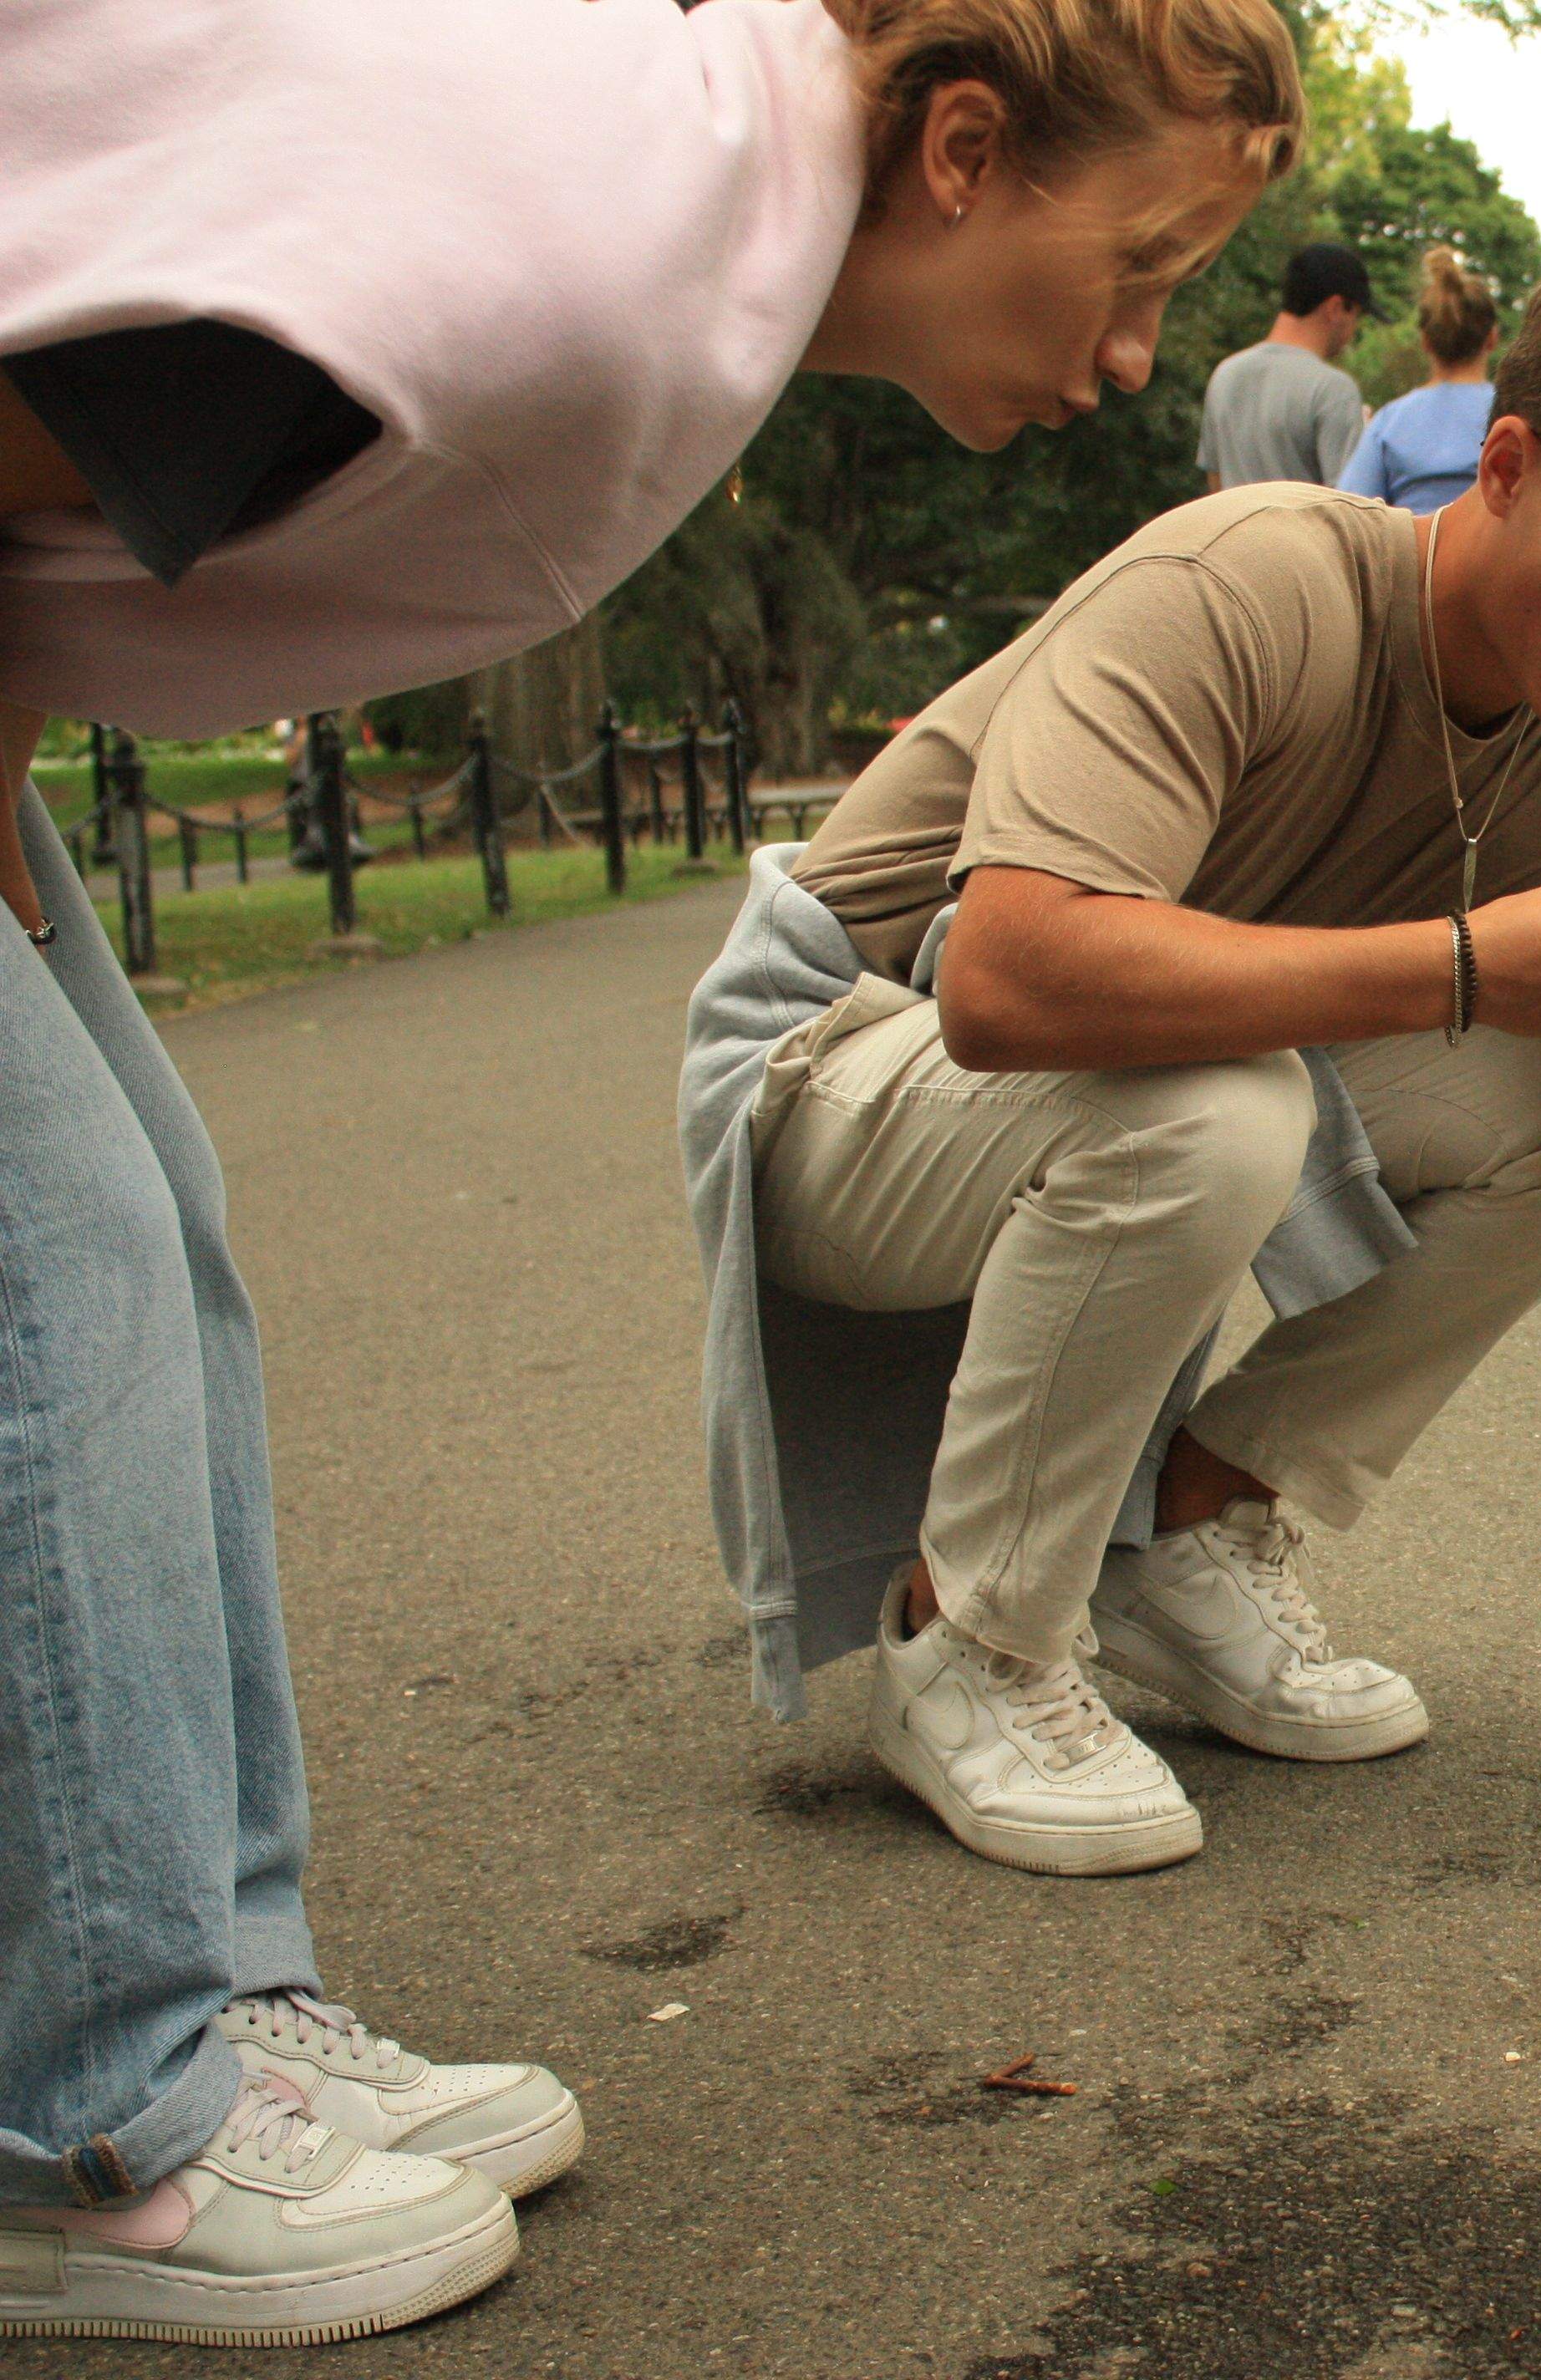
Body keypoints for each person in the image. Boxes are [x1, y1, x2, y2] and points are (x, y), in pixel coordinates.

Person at [0, 0, 1305, 2345]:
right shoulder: (563, 241)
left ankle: (203, 2000)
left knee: (153, 1240)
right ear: (966, 148)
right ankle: (92, 2137)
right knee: (47, 1276)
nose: (1135, 356)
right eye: (1140, 262)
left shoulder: (681, 213)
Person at [680, 217, 1541, 1886]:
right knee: (1221, 1096)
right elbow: (1010, 977)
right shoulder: (1247, 583)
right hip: (837, 1060)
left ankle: (1182, 1528)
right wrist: (1461, 964)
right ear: (1511, 465)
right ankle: (971, 1637)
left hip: (1089, 1091)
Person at [1337, 245, 1501, 516]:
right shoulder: (1517, 414)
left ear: (1425, 341)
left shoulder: (1389, 422)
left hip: (1416, 554)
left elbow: (1352, 514)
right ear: (1492, 338)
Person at [1199, 239, 1371, 492]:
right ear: (1336, 308)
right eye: (1355, 315)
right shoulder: (1333, 389)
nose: (1353, 330)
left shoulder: (1226, 374)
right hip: (1305, 533)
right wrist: (1364, 441)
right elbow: (1349, 505)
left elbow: (1215, 482)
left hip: (1238, 531)